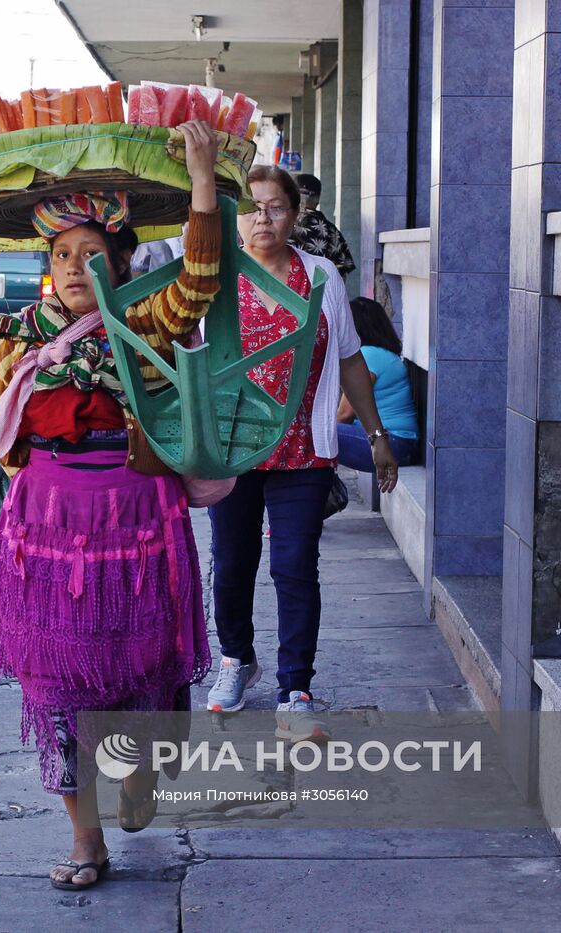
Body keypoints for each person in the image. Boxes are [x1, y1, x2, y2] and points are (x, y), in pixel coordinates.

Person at [0, 120, 222, 892]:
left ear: (121, 260)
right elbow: (10, 444)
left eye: (92, 253)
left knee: (142, 674)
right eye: (61, 255)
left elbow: (201, 277)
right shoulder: (17, 341)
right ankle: (87, 841)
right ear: (48, 268)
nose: (76, 267)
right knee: (55, 689)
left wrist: (203, 176)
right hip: (45, 535)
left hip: (136, 525)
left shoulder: (145, 321)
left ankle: (140, 774)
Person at [205, 165, 397, 740]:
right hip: (234, 451)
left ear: (296, 215)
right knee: (231, 563)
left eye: (275, 207)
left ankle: (296, 688)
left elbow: (349, 361)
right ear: (236, 218)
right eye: (251, 208)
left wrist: (379, 439)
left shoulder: (320, 277)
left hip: (303, 453)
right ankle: (237, 659)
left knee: (295, 568)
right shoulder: (213, 274)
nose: (263, 218)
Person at [337, 297, 418, 470]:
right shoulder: (384, 354)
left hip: (393, 443)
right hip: (401, 444)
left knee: (310, 435)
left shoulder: (367, 355)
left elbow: (344, 415)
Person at [289, 173, 355, 278]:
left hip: (282, 292)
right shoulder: (332, 232)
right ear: (318, 199)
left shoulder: (283, 225)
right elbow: (342, 272)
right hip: (320, 293)